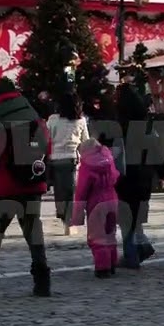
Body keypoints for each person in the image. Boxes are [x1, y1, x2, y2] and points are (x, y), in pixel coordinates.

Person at [0, 77, 53, 297]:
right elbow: (47, 145)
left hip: (3, 186)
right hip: (31, 184)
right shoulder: (32, 113)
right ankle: (42, 281)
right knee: (34, 233)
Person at [115, 82, 160, 269]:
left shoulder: (120, 125)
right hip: (144, 176)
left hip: (127, 176)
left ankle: (131, 256)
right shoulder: (147, 124)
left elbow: (116, 152)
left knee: (127, 219)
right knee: (135, 217)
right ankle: (142, 246)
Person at [72, 137, 121, 278]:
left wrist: (77, 217)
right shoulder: (109, 160)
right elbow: (115, 177)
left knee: (98, 237)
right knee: (110, 234)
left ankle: (102, 267)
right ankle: (112, 263)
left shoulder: (86, 167)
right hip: (113, 199)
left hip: (96, 203)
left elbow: (81, 191)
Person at [48, 92, 90, 236]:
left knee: (59, 193)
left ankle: (64, 219)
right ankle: (70, 222)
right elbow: (86, 142)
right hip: (72, 159)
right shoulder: (81, 121)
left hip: (54, 159)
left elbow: (47, 138)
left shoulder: (53, 119)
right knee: (72, 193)